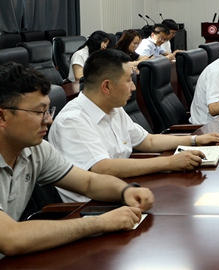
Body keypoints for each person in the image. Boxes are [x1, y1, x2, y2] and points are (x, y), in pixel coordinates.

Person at [0, 62, 154, 256]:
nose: (49, 120)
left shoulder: (36, 150)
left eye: (48, 111)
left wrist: (125, 191)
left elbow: (88, 182)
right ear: (2, 117)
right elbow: (11, 238)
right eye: (39, 112)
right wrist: (100, 222)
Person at [50, 49, 219, 202]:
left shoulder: (113, 108)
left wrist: (194, 140)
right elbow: (103, 168)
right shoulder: (72, 121)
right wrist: (169, 162)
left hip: (126, 190)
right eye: (129, 80)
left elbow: (148, 141)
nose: (134, 87)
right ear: (106, 86)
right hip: (94, 207)